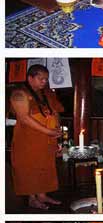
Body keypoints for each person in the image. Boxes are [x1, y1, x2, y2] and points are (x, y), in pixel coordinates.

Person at [9, 64, 64, 209]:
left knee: (45, 166)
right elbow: (24, 118)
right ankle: (32, 198)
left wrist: (56, 129)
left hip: (46, 138)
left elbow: (54, 111)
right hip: (28, 138)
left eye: (46, 79)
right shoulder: (19, 93)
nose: (44, 82)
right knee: (30, 167)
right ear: (30, 78)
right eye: (41, 79)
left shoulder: (45, 93)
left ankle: (42, 195)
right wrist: (48, 131)